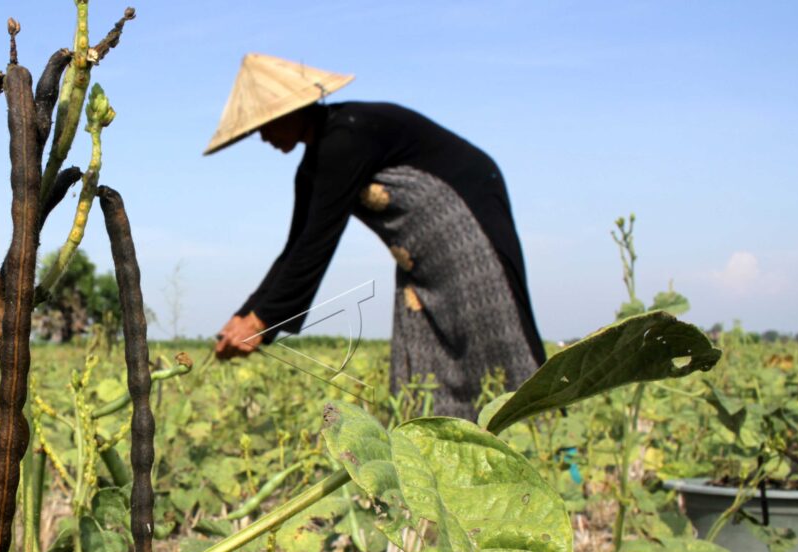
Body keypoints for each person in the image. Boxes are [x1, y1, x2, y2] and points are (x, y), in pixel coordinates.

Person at [206, 53, 546, 419]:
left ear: (293, 110)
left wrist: (261, 323)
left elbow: (318, 243)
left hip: (464, 221)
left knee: (488, 324)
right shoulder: (311, 169)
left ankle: (535, 431)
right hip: (414, 255)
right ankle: (439, 439)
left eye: (266, 124)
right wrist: (244, 315)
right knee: (423, 345)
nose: (263, 137)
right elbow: (295, 248)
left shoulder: (346, 136)